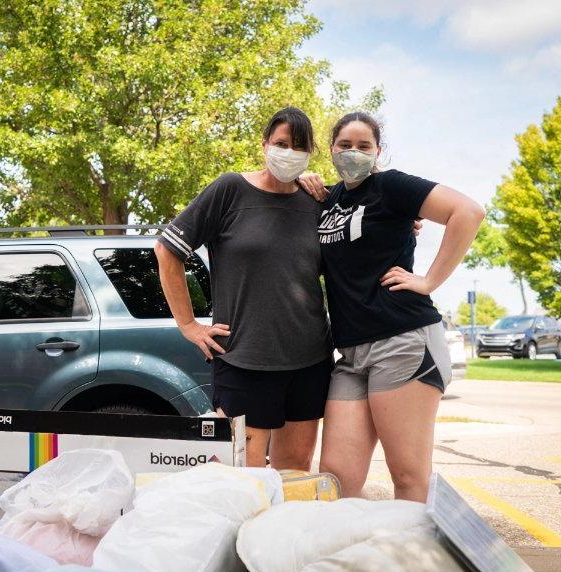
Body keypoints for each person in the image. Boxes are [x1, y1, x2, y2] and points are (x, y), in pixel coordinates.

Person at [298, 112, 485, 502]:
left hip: (403, 342)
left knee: (407, 476)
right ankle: (353, 558)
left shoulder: (391, 186)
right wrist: (304, 182)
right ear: (331, 150)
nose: (353, 152)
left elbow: (468, 212)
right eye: (345, 145)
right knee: (336, 481)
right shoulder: (329, 199)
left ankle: (410, 562)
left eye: (363, 146)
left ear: (377, 151)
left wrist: (429, 280)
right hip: (350, 354)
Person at [155, 107, 333, 469]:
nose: (288, 152)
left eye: (299, 146)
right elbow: (167, 251)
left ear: (310, 153)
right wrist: (188, 326)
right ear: (264, 143)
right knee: (246, 478)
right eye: (281, 143)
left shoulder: (316, 201)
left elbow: (363, 228)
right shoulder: (230, 189)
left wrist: (406, 226)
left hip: (309, 361)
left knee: (293, 475)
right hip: (244, 358)